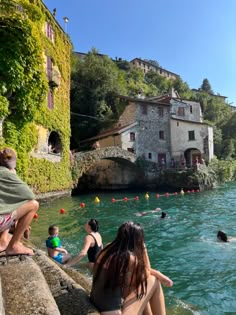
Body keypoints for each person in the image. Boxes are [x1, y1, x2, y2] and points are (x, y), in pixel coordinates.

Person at [90, 221, 173, 315]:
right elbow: (146, 276)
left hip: (97, 302)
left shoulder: (108, 248)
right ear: (137, 240)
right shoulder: (129, 259)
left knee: (137, 284)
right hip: (113, 312)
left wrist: (157, 273)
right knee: (153, 280)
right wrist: (144, 250)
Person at [0, 148, 39, 256]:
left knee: (9, 204)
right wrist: (13, 175)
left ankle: (2, 240)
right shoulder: (6, 173)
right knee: (33, 205)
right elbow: (29, 195)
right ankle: (13, 246)